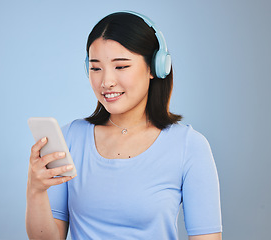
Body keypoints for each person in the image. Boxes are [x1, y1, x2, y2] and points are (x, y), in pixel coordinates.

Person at [26, 11, 222, 240]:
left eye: (120, 67)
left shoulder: (190, 146)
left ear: (155, 67)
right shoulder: (70, 138)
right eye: (96, 68)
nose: (106, 81)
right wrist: (36, 190)